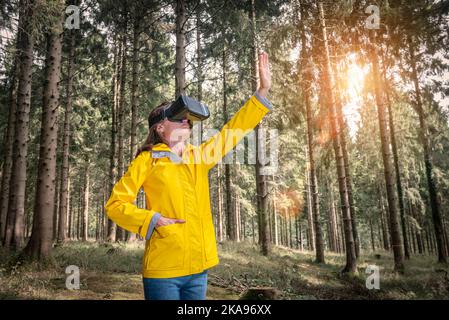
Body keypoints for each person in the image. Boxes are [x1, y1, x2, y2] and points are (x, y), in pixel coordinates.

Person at [104, 52, 272, 300]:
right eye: (179, 119)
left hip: (199, 269)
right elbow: (115, 205)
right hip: (163, 270)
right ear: (160, 128)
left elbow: (232, 132)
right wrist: (152, 220)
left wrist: (262, 92)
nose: (186, 123)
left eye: (188, 120)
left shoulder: (200, 156)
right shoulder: (147, 159)